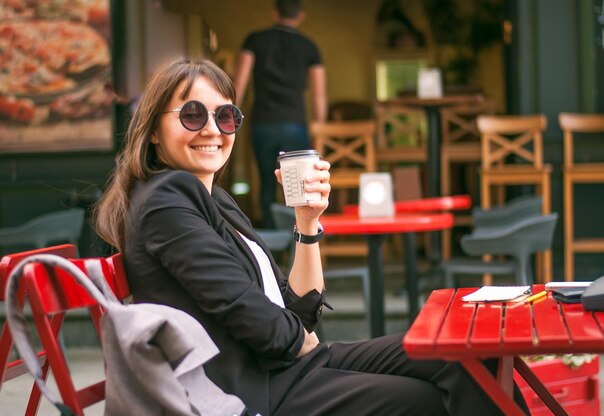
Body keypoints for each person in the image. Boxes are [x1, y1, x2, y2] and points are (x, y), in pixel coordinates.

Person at [94, 58, 529, 416]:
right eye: (192, 114)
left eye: (225, 116)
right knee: (427, 402)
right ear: (152, 130)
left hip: (290, 367)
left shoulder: (217, 201)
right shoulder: (168, 198)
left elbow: (296, 312)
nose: (212, 129)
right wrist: (298, 336)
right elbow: (260, 321)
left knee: (468, 354)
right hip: (258, 390)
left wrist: (307, 221)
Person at [233, 0, 327, 229]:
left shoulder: (254, 40)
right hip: (295, 122)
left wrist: (229, 116)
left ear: (275, 12)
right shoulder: (309, 47)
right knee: (298, 184)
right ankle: (297, 234)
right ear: (301, 16)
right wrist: (321, 130)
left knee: (266, 180)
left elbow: (239, 84)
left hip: (263, 121)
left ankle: (270, 239)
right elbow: (319, 94)